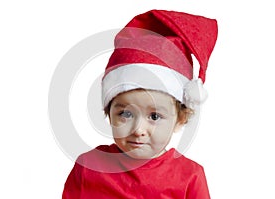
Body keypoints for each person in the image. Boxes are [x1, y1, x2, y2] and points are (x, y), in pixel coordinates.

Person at [62, 9, 218, 199]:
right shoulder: (88, 167)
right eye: (125, 114)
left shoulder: (190, 176)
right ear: (109, 112)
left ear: (180, 119)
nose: (138, 130)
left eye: (154, 116)